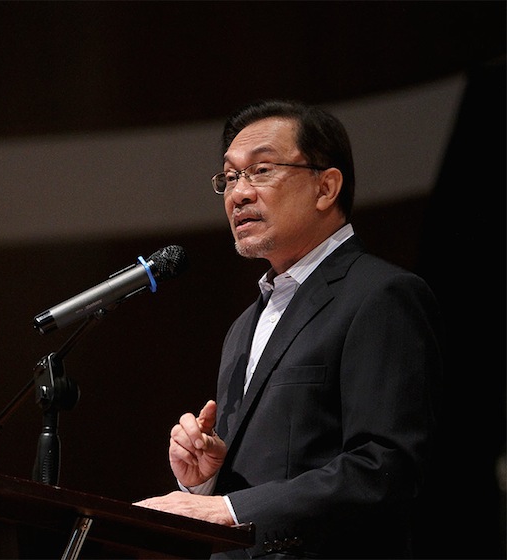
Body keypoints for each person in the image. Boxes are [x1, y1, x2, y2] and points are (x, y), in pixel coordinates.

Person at [135, 99, 443, 559]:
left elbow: (386, 466)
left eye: (260, 170)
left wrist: (231, 510)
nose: (238, 194)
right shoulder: (244, 326)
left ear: (326, 187)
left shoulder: (381, 295)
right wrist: (206, 480)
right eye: (230, 177)